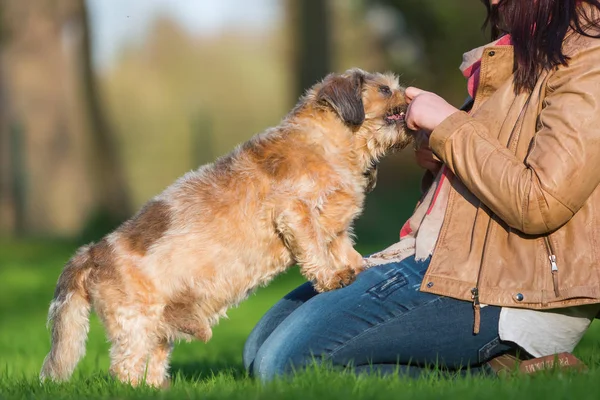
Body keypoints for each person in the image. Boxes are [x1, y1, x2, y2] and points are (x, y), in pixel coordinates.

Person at [243, 0, 600, 381]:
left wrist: (449, 125)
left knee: (287, 366)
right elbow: (497, 167)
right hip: (447, 261)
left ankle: (506, 376)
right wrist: (443, 154)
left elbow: (541, 201)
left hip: (515, 287)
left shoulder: (588, 52)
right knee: (259, 348)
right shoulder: (523, 43)